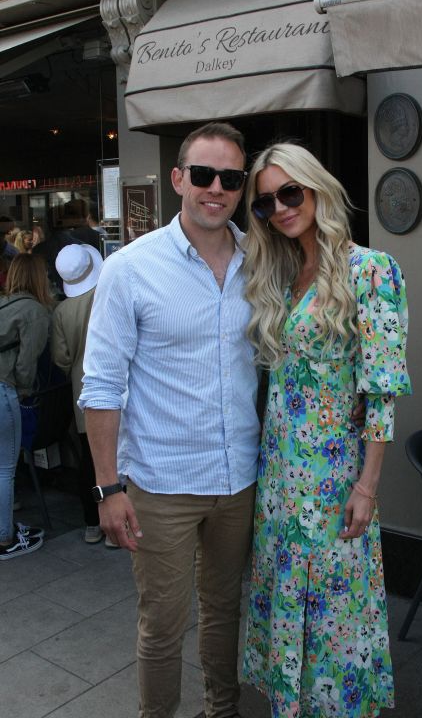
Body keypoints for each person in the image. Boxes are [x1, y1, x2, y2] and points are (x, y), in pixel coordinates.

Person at [79, 122, 260, 718]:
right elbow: (101, 386)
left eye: (230, 178)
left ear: (241, 187)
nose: (216, 189)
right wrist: (109, 487)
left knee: (225, 609)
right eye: (203, 175)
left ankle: (222, 709)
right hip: (161, 482)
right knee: (162, 625)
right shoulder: (131, 268)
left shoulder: (260, 262)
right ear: (178, 179)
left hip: (238, 478)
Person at [242, 143, 411, 718]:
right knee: (287, 600)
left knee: (335, 616)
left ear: (316, 188)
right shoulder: (285, 272)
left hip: (335, 479)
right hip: (279, 479)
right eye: (266, 203)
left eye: (290, 192)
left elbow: (382, 392)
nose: (281, 208)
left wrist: (367, 486)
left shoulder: (371, 270)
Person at [51, 244, 105, 545]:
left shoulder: (61, 311)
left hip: (83, 391)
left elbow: (61, 358)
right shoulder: (107, 293)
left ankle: (92, 523)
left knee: (90, 458)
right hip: (121, 387)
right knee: (123, 456)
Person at [0, 254, 52, 560]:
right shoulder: (34, 311)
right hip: (4, 390)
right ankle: (5, 538)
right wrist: (24, 390)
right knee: (5, 470)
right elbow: (26, 363)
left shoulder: (4, 304)